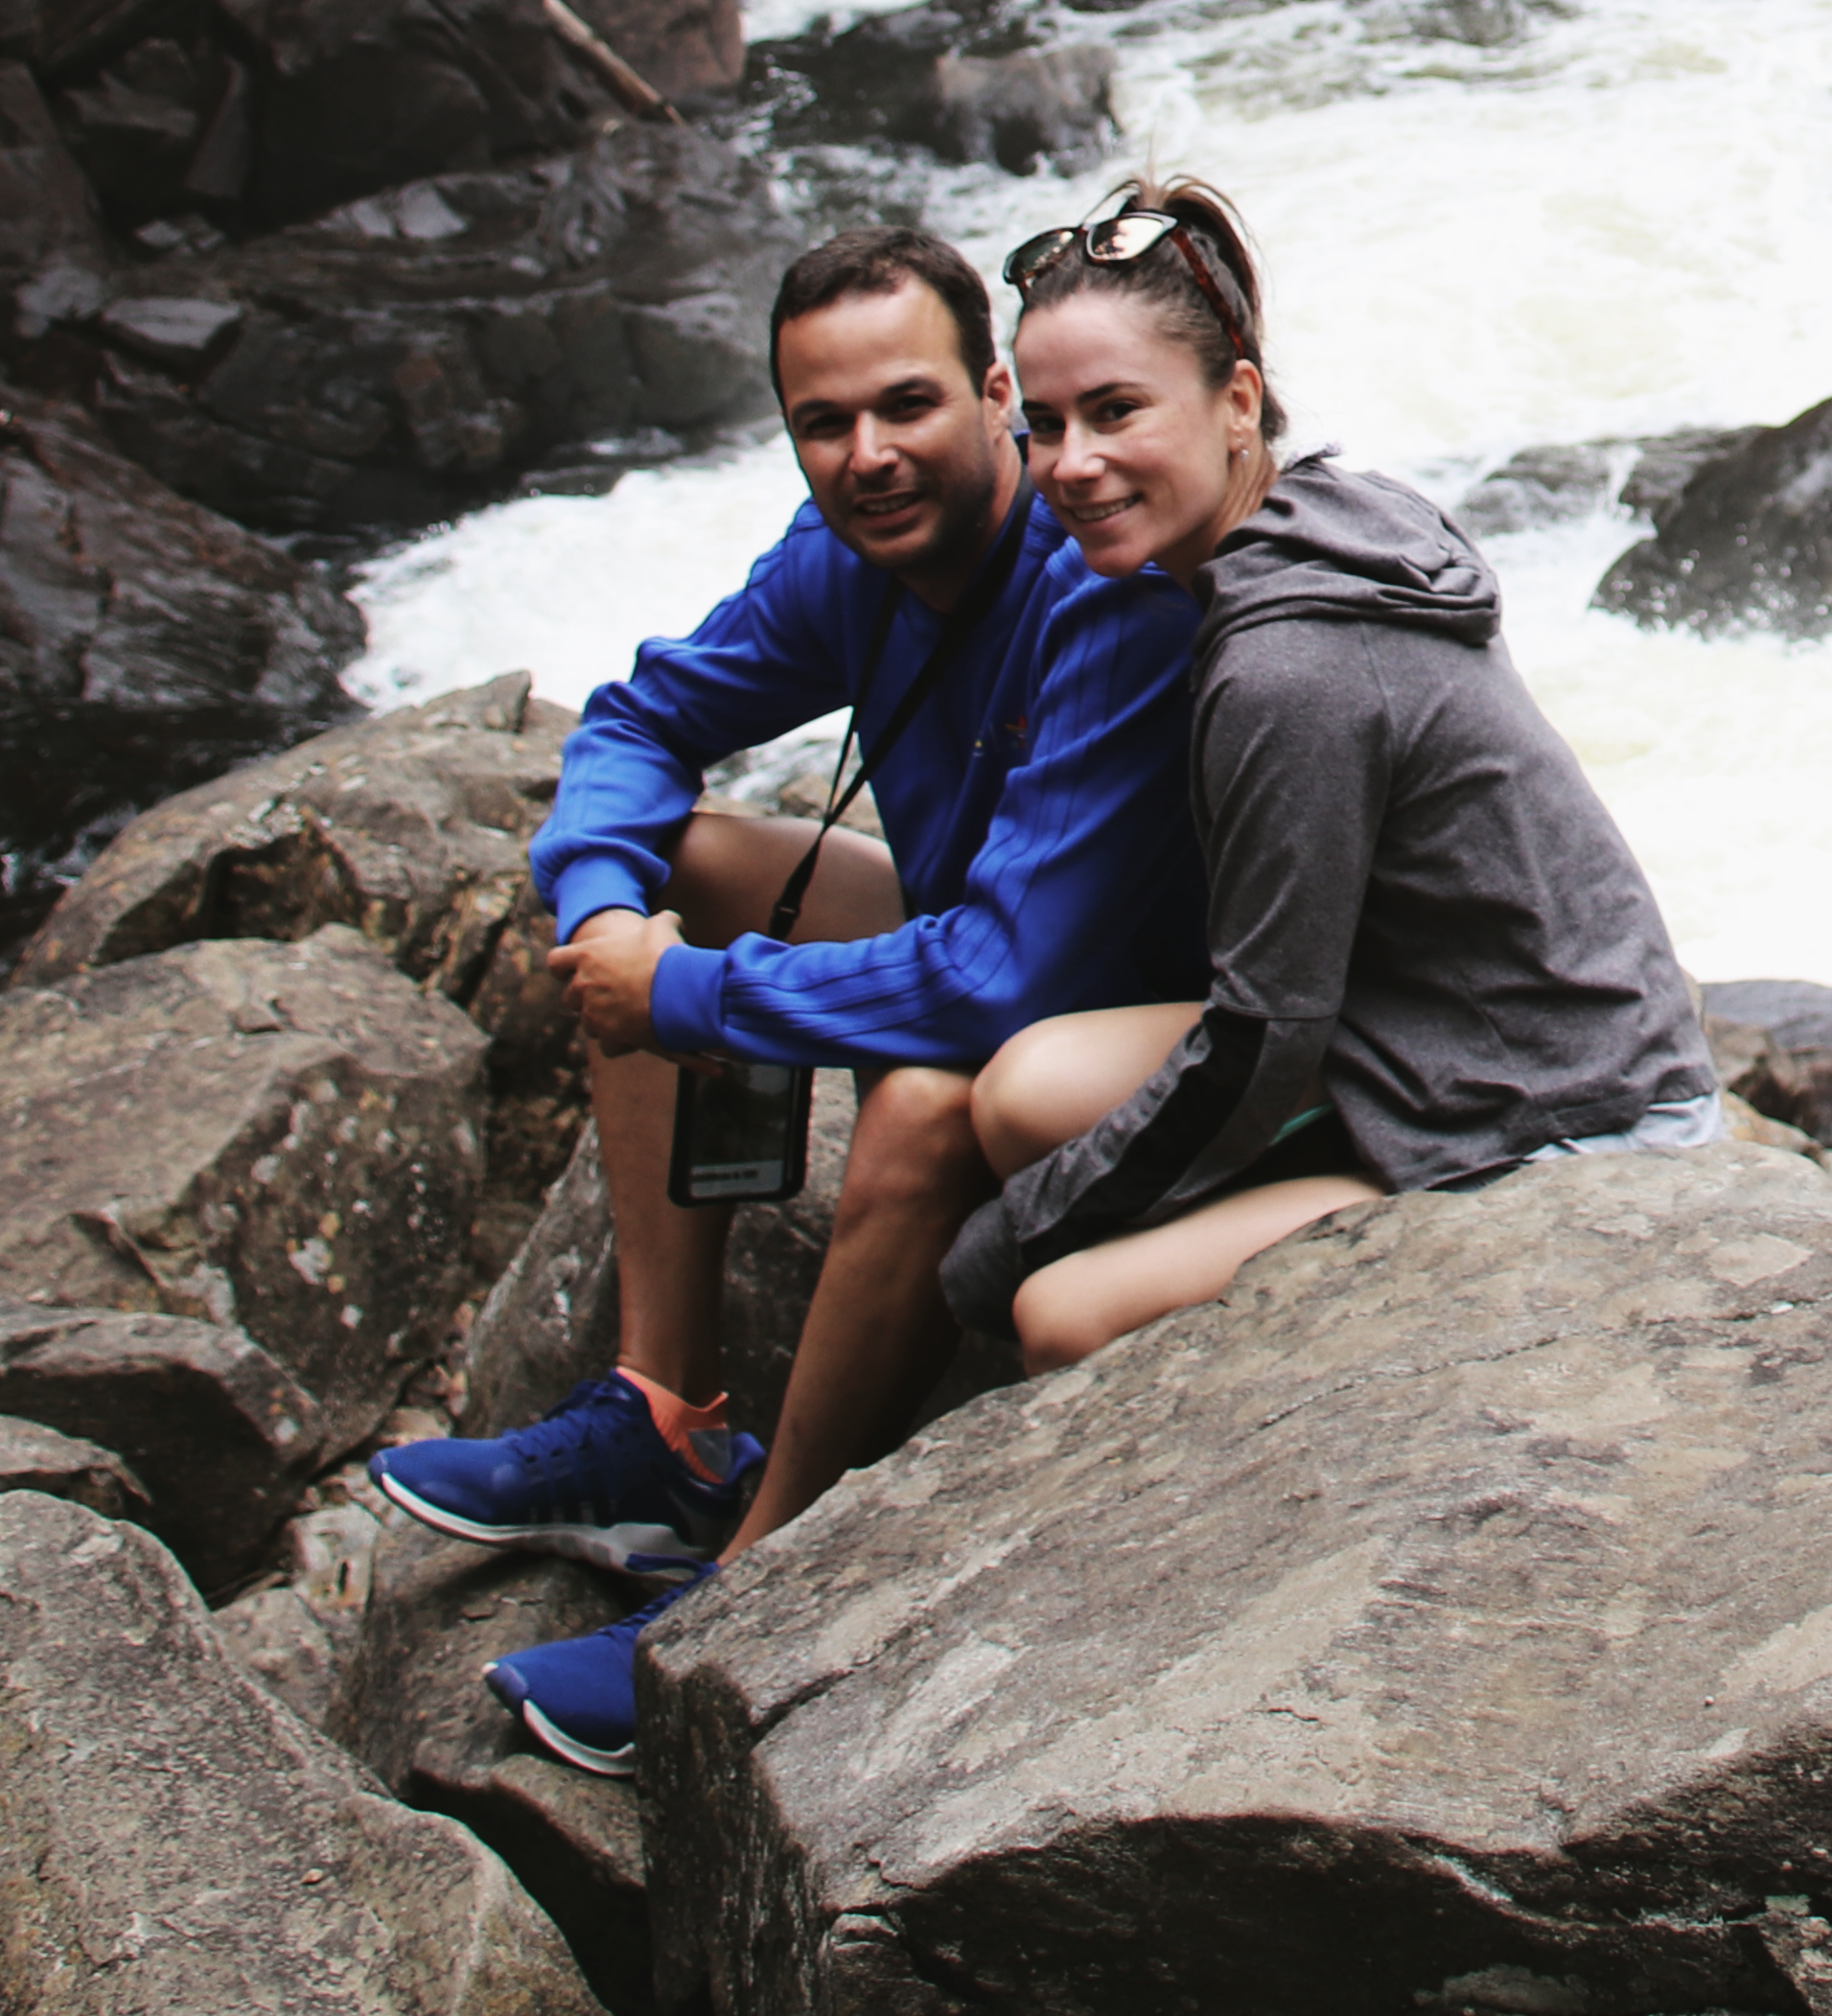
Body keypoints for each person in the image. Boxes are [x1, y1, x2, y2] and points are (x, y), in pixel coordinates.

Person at [359, 220, 1208, 1774]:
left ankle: (753, 1576)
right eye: (825, 423)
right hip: (989, 937)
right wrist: (615, 918)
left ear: (997, 393)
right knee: (667, 870)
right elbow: (637, 720)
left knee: (916, 1091)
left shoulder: (1101, 583)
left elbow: (1009, 973)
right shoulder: (846, 565)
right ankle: (665, 1420)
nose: (868, 453)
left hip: (1128, 1003)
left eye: (907, 406)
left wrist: (686, 998)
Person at [934, 176, 1718, 1377]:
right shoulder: (1327, 517)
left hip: (1548, 1115)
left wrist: (1003, 1247)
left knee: (1056, 1308)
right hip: (1412, 1039)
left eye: (1115, 411)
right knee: (1017, 1094)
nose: (1070, 465)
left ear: (1235, 399)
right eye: (1043, 422)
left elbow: (1259, 1040)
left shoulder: (1289, 665)